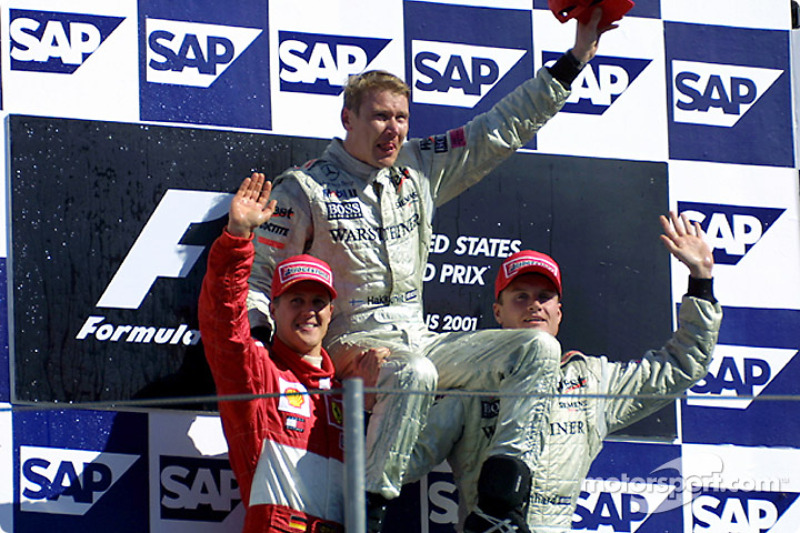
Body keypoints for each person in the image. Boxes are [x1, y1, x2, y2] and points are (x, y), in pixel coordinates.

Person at [245, 9, 615, 530]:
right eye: (379, 117)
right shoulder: (305, 188)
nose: (392, 130)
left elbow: (497, 131)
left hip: (418, 339)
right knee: (414, 372)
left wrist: (573, 63)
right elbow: (259, 277)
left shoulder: (419, 168)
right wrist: (266, 352)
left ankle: (497, 501)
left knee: (539, 348)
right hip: (350, 346)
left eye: (400, 117)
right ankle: (368, 512)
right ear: (348, 119)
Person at [404, 211, 723, 532]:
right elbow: (408, 460)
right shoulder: (470, 384)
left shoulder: (593, 381)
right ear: (498, 313)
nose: (534, 305)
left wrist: (701, 280)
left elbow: (680, 367)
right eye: (521, 297)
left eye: (545, 297)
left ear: (559, 313)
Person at [199, 175, 379, 532]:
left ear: (331, 312)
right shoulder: (259, 374)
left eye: (318, 302)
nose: (308, 311)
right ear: (274, 309)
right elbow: (223, 321)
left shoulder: (348, 391)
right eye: (296, 300)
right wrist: (237, 237)